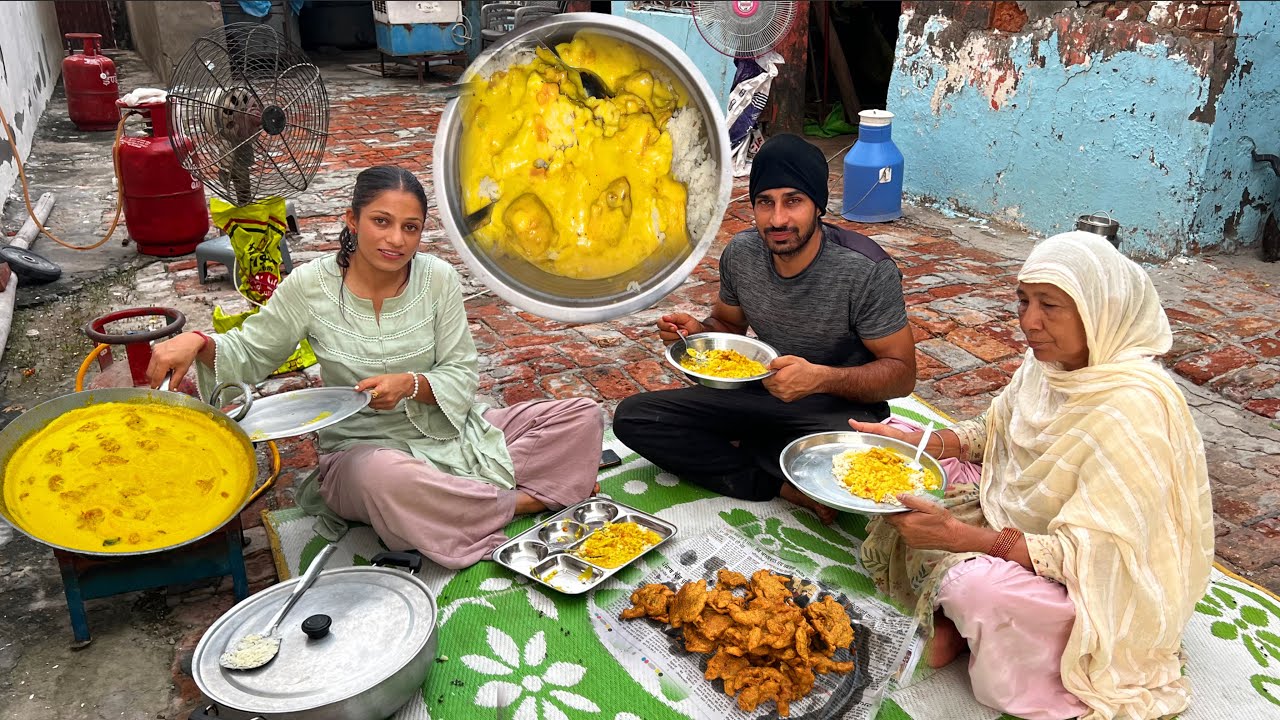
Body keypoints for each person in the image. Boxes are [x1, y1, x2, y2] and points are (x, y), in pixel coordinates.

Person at [147, 166, 604, 570]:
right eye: (381, 222)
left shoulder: (438, 279)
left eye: (411, 227)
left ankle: (455, 505)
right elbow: (252, 352)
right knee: (386, 480)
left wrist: (413, 385)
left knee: (582, 416)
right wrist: (198, 341)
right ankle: (517, 502)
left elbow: (462, 373)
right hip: (363, 452)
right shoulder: (312, 285)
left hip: (449, 432)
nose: (395, 240)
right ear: (352, 220)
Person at [853, 231, 1214, 720]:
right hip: (1017, 516)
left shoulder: (1135, 409)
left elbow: (1086, 559)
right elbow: (996, 431)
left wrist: (960, 536)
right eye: (1023, 301)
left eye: (1050, 306)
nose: (1029, 322)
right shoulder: (1048, 363)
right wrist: (919, 443)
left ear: (1097, 310)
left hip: (1086, 580)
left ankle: (980, 631)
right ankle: (966, 626)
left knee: (978, 590)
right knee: (901, 457)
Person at [613, 134, 916, 523]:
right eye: (764, 202)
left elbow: (902, 375)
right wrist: (696, 334)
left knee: (858, 461)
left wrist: (819, 379)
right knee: (634, 417)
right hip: (762, 395)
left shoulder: (865, 270)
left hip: (837, 411)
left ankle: (756, 451)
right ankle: (779, 484)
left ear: (818, 206)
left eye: (793, 201)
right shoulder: (742, 254)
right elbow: (726, 324)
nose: (777, 220)